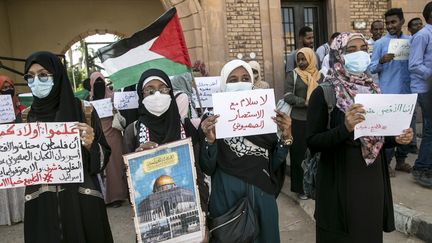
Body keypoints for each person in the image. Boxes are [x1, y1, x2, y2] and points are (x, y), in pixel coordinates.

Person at [307, 32, 413, 243]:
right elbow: (312, 141)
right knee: (343, 235)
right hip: (339, 179)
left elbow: (378, 133)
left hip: (372, 177)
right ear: (338, 55)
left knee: (368, 232)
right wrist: (344, 128)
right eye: (351, 50)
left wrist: (396, 138)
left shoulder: (373, 89)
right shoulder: (325, 92)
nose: (359, 54)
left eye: (363, 49)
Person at [22, 51, 113, 242]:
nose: (36, 81)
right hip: (42, 207)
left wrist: (91, 145)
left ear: (58, 75)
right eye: (30, 77)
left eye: (43, 75)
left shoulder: (84, 110)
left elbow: (103, 157)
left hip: (82, 204)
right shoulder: (25, 118)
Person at [200, 59, 292, 242]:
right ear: (224, 83)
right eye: (232, 80)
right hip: (227, 198)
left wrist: (286, 136)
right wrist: (210, 140)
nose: (239, 83)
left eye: (244, 78)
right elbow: (207, 168)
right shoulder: (210, 121)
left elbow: (273, 163)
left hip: (262, 195)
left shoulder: (266, 116)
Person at [122, 68, 209, 211]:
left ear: (170, 92)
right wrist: (136, 163)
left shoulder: (186, 127)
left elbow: (204, 166)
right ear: (141, 96)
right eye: (150, 90)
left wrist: (209, 141)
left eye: (163, 89)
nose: (157, 95)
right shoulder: (133, 132)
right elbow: (126, 182)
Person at [368, 8, 413, 176]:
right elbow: (371, 68)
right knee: (388, 129)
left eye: (393, 22)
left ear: (401, 21)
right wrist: (381, 60)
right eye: (387, 23)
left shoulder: (410, 40)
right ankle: (386, 163)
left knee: (407, 128)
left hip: (407, 91)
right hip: (388, 93)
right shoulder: (380, 43)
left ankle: (401, 161)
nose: (389, 26)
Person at [284, 48, 323, 199]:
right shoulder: (293, 75)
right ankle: (301, 188)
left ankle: (316, 185)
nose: (300, 62)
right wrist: (304, 102)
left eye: (303, 59)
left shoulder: (321, 76)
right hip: (298, 120)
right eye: (298, 59)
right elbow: (287, 95)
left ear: (311, 59)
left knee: (317, 154)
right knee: (299, 154)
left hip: (317, 120)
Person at [89, 71, 128, 207]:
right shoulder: (89, 101)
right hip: (97, 136)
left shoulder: (113, 97)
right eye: (96, 82)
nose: (99, 85)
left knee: (115, 167)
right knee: (101, 167)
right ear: (92, 84)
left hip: (113, 135)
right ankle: (103, 198)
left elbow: (122, 113)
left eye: (101, 82)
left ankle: (117, 197)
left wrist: (115, 110)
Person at [409, 1, 432, 188]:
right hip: (425, 89)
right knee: (430, 129)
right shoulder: (422, 35)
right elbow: (414, 64)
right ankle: (421, 167)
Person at [0, 75, 25, 226]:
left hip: (17, 152)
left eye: (10, 87)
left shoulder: (19, 106)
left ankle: (20, 213)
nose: (8, 90)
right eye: (4, 88)